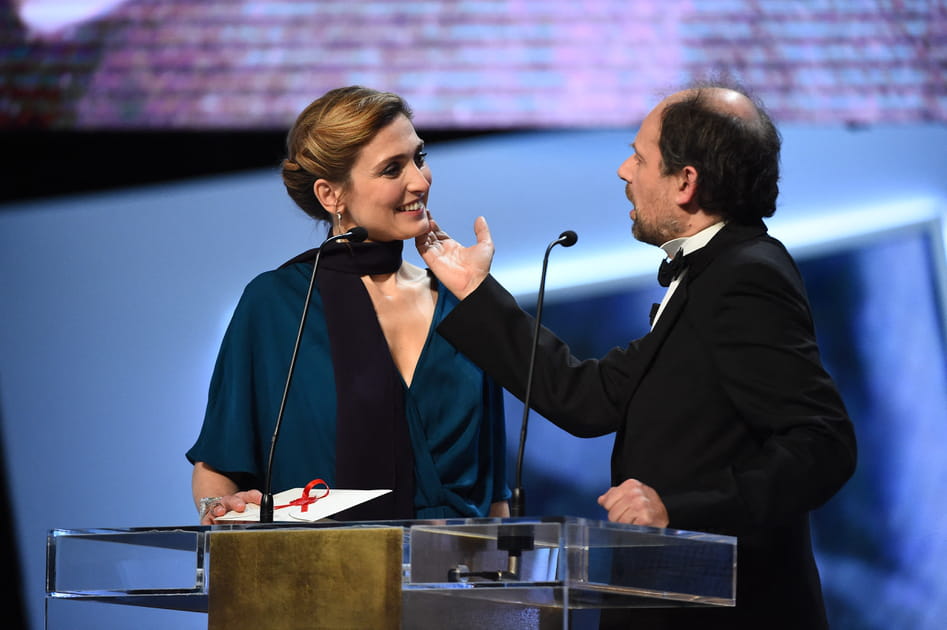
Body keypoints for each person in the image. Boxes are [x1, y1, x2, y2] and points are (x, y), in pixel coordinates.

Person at [415, 83, 857, 629]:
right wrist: (476, 292)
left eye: (640, 157)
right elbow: (588, 399)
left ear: (685, 182)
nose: (625, 171)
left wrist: (678, 509)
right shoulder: (714, 271)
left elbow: (823, 443)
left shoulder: (746, 276)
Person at [187, 86, 510, 525]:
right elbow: (217, 469)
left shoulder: (459, 304)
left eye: (419, 157)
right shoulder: (277, 306)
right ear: (331, 195)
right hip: (323, 580)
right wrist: (218, 515)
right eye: (392, 169)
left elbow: (495, 497)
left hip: (455, 580)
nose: (419, 180)